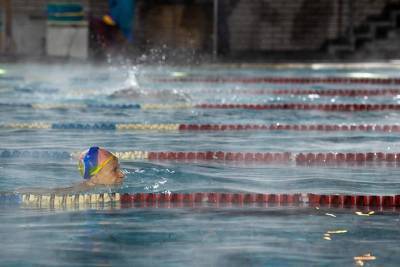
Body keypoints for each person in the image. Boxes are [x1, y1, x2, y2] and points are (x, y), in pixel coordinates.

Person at [17, 147, 125, 194]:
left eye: (118, 168)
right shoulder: (77, 192)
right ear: (94, 177)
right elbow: (53, 192)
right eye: (114, 170)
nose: (121, 174)